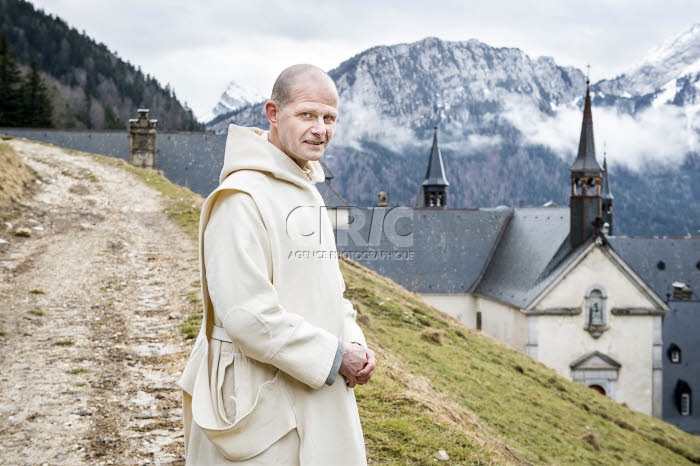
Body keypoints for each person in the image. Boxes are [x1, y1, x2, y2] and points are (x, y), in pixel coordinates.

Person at [178, 64, 376, 465]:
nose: (320, 129)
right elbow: (248, 317)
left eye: (329, 118)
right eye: (307, 115)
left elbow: (330, 290)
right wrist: (336, 356)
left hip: (311, 378)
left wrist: (353, 340)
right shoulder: (240, 199)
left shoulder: (305, 188)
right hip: (258, 396)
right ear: (273, 113)